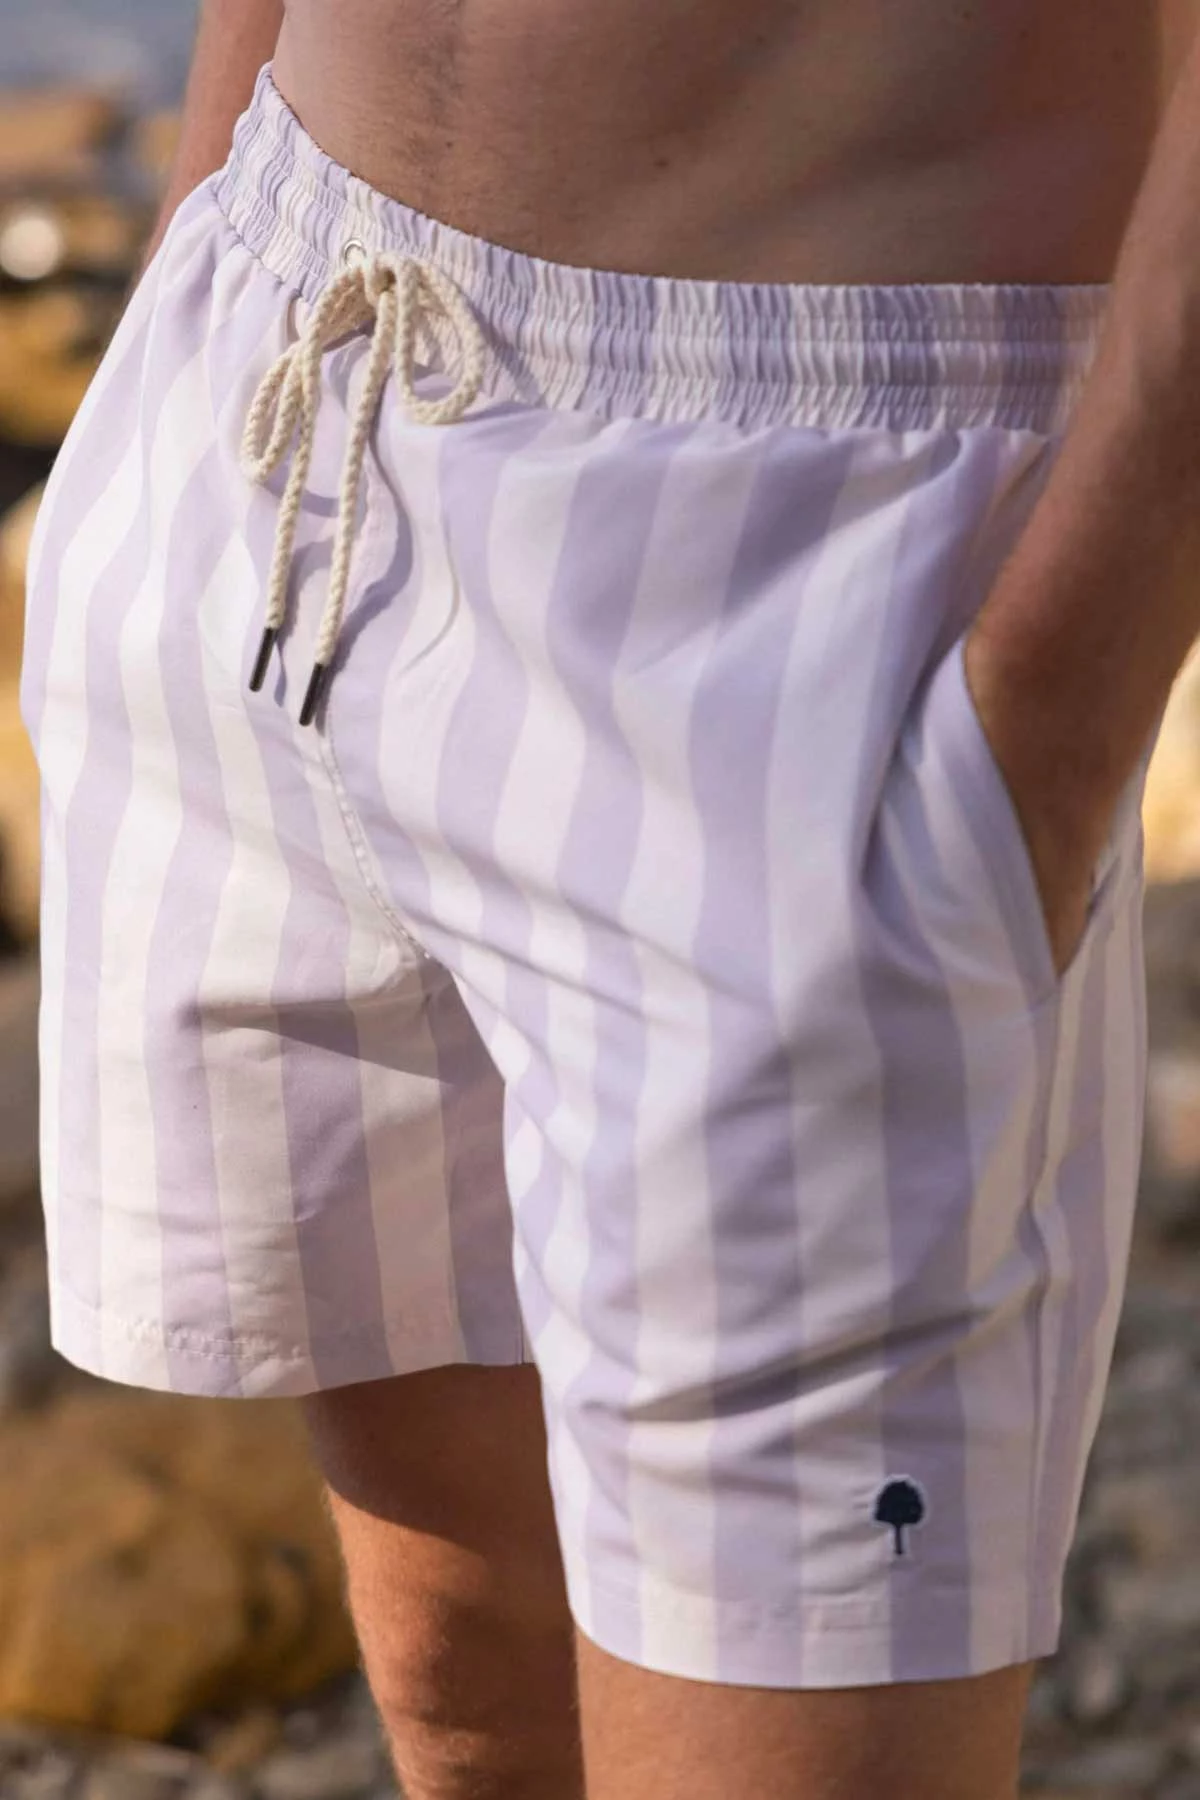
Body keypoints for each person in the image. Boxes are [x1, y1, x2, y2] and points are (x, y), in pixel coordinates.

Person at [18, 2, 1200, 1795]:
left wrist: (1043, 740)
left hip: (808, 560)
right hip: (296, 378)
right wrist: (194, 245)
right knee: (469, 1700)